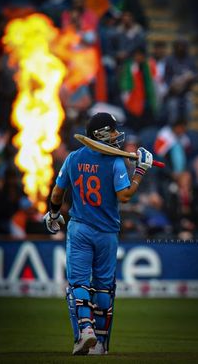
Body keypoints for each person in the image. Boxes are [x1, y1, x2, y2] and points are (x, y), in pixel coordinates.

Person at [43, 112, 153, 355]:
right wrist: (141, 171)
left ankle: (86, 331)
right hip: (107, 233)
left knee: (79, 283)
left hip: (80, 228)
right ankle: (100, 345)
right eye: (112, 130)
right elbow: (124, 196)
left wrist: (52, 214)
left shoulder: (73, 158)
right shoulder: (115, 162)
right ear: (101, 134)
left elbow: (56, 195)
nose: (116, 135)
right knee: (104, 287)